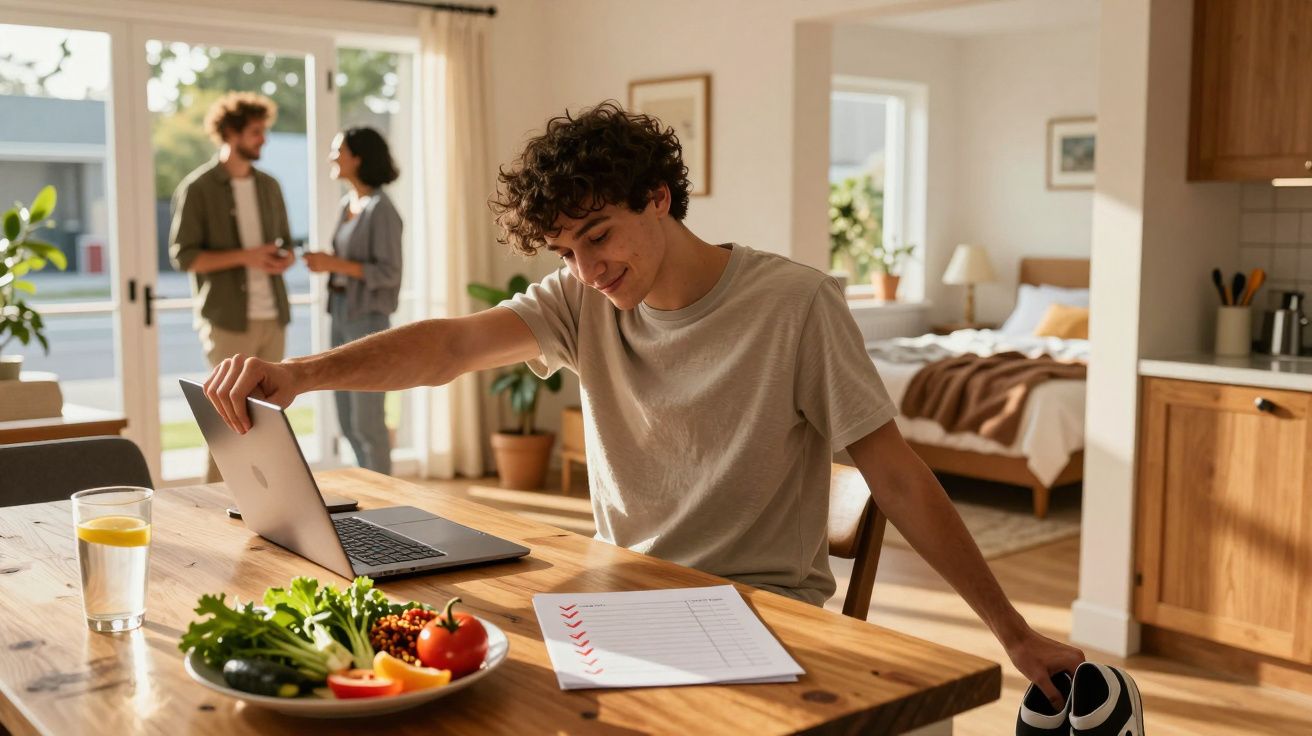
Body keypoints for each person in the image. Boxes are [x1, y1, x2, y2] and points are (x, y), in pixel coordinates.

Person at [202, 101, 1084, 708]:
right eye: (565, 248)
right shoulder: (582, 299)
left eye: (598, 236)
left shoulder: (795, 304)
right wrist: (301, 375)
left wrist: (1013, 633)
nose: (587, 269)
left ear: (659, 198)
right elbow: (453, 345)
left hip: (758, 613)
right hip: (618, 602)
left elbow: (896, 472)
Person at [170, 91, 294, 483]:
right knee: (227, 416)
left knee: (270, 418)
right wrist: (247, 256)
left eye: (264, 131)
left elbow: (284, 242)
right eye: (256, 132)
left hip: (273, 315)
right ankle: (214, 497)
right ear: (230, 133)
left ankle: (270, 499)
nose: (263, 139)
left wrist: (283, 258)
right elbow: (185, 257)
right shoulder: (198, 188)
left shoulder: (270, 186)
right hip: (226, 320)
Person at [304, 127, 403, 475]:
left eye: (338, 150)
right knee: (346, 419)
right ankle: (368, 490)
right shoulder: (348, 203)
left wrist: (334, 264)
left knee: (368, 421)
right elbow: (348, 263)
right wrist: (327, 263)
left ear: (357, 157)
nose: (332, 156)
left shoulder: (382, 209)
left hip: (369, 320)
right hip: (341, 313)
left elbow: (390, 273)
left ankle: (386, 503)